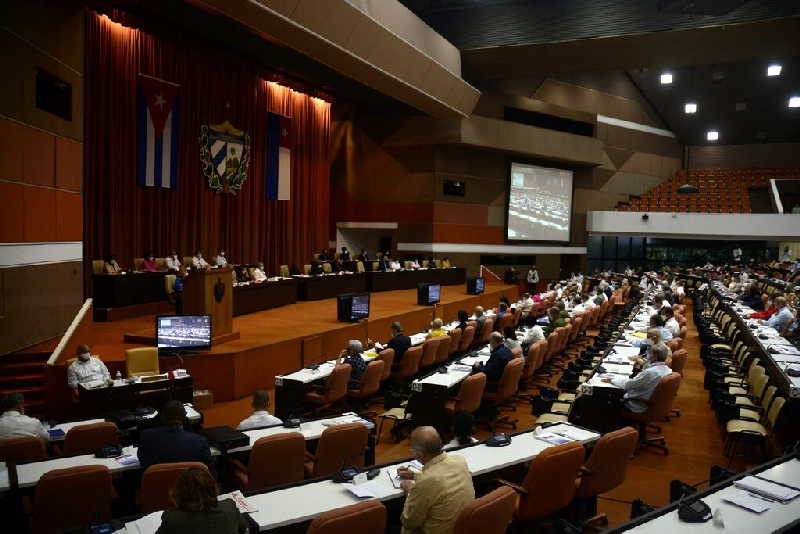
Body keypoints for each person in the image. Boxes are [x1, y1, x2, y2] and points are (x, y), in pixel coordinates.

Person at [397, 426, 474, 534]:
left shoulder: (425, 482)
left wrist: (409, 491)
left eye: (412, 449)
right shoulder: (460, 460)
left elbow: (409, 521)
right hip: (462, 528)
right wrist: (413, 475)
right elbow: (441, 476)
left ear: (419, 454)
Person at [155, 466, 247, 534]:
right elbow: (242, 527)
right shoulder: (229, 507)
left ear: (179, 492)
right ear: (213, 488)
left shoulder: (172, 519)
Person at [138, 401, 212, 471]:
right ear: (184, 418)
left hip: (158, 483)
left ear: (162, 417)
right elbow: (209, 472)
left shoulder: (146, 437)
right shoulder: (200, 441)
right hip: (189, 483)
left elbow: (143, 463)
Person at [603, 343, 672, 413]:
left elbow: (628, 385)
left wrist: (612, 380)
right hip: (649, 399)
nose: (647, 355)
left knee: (608, 394)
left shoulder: (650, 372)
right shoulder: (668, 369)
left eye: (649, 353)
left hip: (637, 403)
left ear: (655, 356)